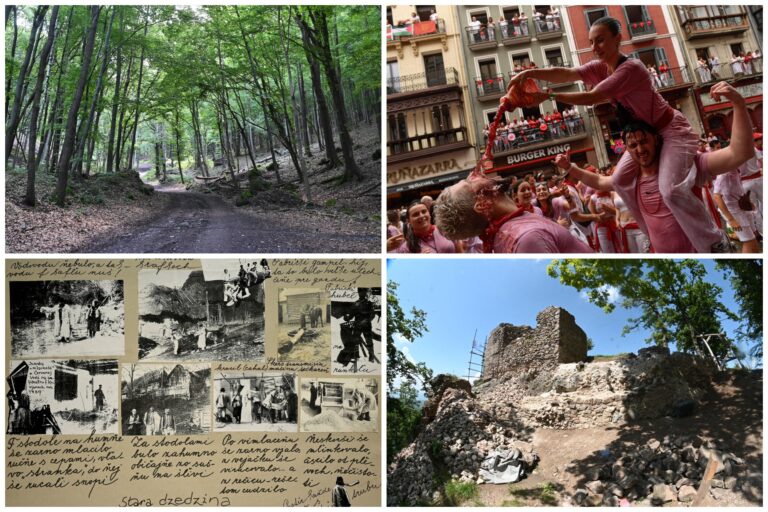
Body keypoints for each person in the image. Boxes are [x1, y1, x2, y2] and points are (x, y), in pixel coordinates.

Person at [506, 16, 733, 253]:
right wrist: (528, 74)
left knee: (670, 189)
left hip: (671, 130)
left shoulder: (632, 68)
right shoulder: (598, 67)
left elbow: (592, 97)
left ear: (618, 39)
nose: (595, 48)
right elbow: (566, 73)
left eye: (601, 41)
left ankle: (715, 241)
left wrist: (548, 97)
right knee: (619, 181)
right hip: (645, 137)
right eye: (592, 42)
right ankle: (651, 236)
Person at [552, 81, 756, 252]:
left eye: (644, 142)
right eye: (633, 145)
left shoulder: (687, 166)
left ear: (656, 140)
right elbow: (599, 180)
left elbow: (739, 153)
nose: (640, 149)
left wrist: (738, 103)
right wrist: (569, 167)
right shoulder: (630, 179)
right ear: (627, 150)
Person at [433, 172, 594, 253]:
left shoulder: (517, 229)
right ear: (481, 204)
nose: (476, 175)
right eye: (470, 183)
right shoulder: (527, 238)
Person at [387, 201, 481, 253]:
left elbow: (460, 254)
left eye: (424, 211)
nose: (421, 216)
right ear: (408, 221)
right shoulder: (406, 247)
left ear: (429, 214)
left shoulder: (447, 230)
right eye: (415, 214)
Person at [713, 169, 760, 253]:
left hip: (742, 209)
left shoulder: (735, 171)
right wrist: (731, 220)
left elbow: (737, 189)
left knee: (752, 240)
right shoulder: (724, 175)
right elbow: (717, 196)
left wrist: (747, 201)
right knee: (749, 241)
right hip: (734, 212)